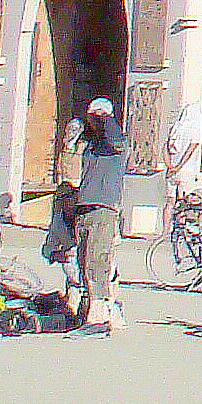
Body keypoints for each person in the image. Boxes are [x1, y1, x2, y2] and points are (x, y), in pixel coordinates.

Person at [67, 97, 130, 329]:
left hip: (104, 208)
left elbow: (114, 136)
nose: (93, 120)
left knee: (98, 259)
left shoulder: (116, 144)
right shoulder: (91, 146)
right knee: (83, 261)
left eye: (97, 117)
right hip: (83, 207)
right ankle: (93, 308)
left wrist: (105, 118)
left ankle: (101, 310)